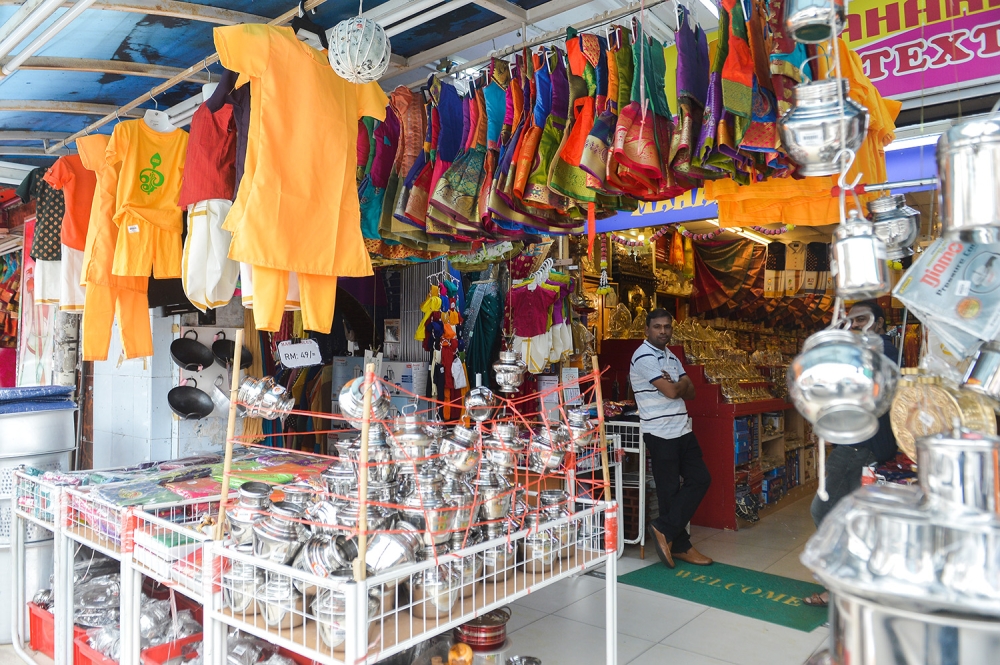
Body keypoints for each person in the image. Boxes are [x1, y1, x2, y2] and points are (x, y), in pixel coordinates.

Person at [805, 300, 898, 606]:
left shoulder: (881, 350)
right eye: (850, 321)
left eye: (861, 320)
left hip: (861, 448)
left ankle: (841, 587)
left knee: (830, 513)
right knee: (846, 515)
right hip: (856, 446)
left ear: (880, 324)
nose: (853, 326)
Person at [629, 309, 713, 567]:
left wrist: (678, 385)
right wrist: (677, 385)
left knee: (700, 478)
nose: (663, 331)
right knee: (668, 491)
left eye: (667, 327)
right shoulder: (643, 355)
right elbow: (672, 391)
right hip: (659, 432)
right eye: (657, 327)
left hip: (682, 428)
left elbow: (690, 392)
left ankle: (665, 529)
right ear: (647, 329)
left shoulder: (670, 355)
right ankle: (681, 545)